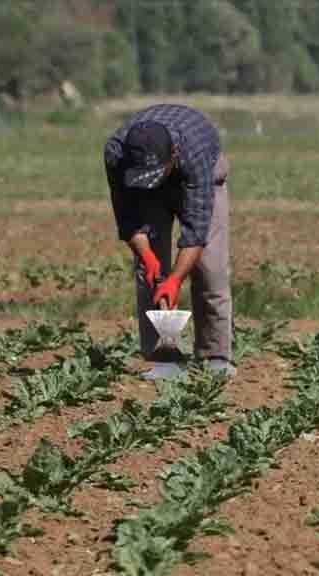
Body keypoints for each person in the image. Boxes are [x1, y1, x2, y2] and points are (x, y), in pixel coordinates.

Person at [103, 104, 235, 378]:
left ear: (174, 154)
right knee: (149, 275)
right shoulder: (117, 153)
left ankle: (215, 357)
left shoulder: (194, 150)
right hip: (149, 194)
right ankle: (163, 359)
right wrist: (150, 259)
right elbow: (127, 217)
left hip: (204, 179)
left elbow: (196, 230)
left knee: (210, 269)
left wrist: (175, 279)